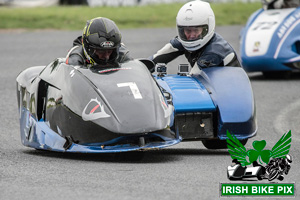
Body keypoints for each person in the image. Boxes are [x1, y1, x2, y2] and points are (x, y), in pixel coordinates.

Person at [149, 0, 241, 72]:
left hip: (230, 92)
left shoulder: (214, 52)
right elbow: (155, 58)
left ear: (207, 28)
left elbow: (194, 78)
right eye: (188, 30)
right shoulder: (184, 40)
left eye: (196, 30)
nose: (192, 35)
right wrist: (141, 67)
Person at [66, 17, 132, 68]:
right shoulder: (76, 59)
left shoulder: (123, 54)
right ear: (88, 48)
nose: (107, 57)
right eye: (101, 51)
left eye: (110, 51)